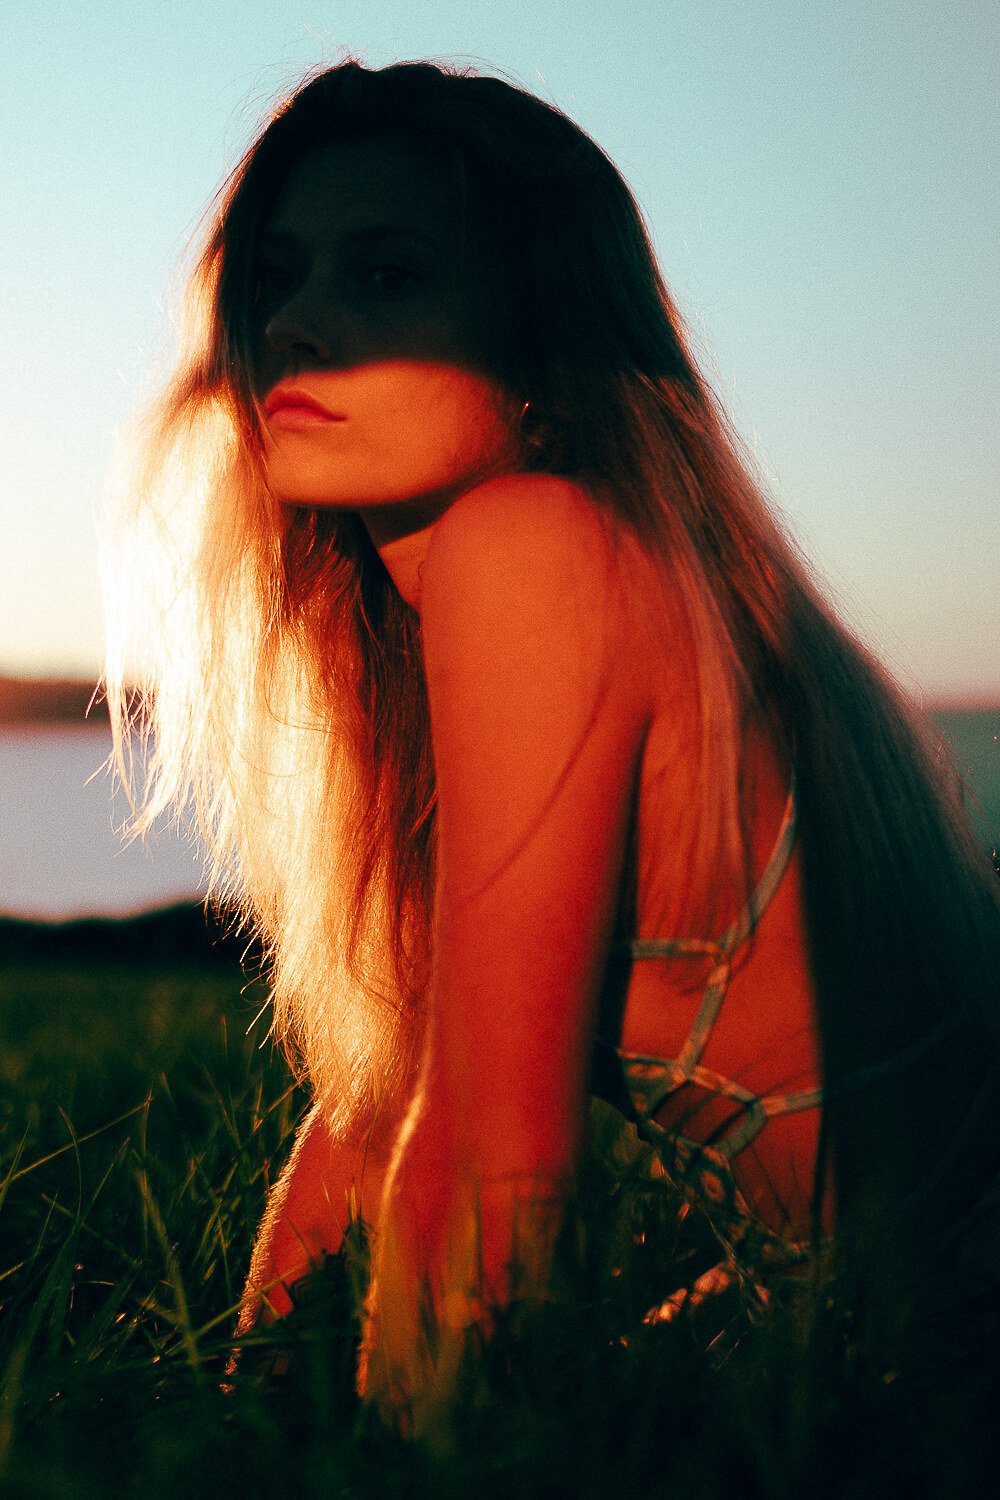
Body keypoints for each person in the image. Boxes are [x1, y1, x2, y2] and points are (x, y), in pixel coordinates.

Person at [104, 59, 1000, 1430]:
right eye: (278, 275)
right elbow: (377, 1116)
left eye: (387, 278)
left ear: (540, 349)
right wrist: (240, 1420)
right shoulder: (482, 618)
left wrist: (403, 1472)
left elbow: (495, 1167)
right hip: (884, 1312)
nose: (296, 322)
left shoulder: (535, 551)